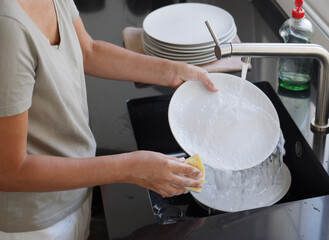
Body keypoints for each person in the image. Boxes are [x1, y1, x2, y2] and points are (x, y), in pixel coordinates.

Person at [0, 0, 217, 238]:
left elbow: (88, 51)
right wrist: (130, 168)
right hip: (36, 221)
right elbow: (10, 171)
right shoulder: (8, 28)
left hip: (74, 186)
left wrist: (173, 71)